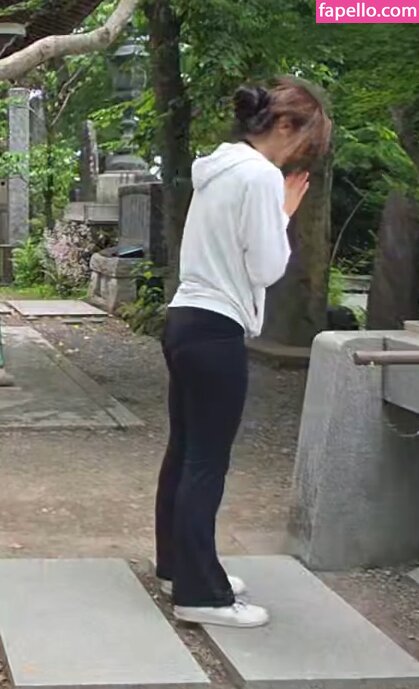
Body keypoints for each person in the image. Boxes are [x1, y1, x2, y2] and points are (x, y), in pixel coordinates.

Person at [155, 76, 331, 628]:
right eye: (304, 142)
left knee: (185, 452)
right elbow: (266, 267)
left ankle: (179, 568)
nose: (300, 155)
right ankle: (200, 595)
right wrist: (284, 213)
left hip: (185, 319)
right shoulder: (258, 175)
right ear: (284, 124)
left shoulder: (218, 168)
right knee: (206, 461)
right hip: (216, 328)